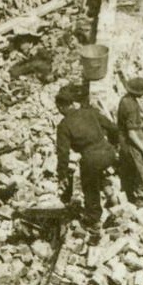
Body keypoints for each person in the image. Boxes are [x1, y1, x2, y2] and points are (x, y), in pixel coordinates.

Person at [55, 86, 119, 231]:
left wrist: (62, 174)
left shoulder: (64, 126)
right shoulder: (90, 112)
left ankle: (94, 219)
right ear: (73, 103)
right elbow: (113, 128)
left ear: (62, 107)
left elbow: (63, 153)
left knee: (89, 186)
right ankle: (111, 195)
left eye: (59, 107)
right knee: (97, 172)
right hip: (108, 152)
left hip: (91, 157)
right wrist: (114, 146)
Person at [117, 78, 143, 204]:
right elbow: (131, 133)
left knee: (130, 168)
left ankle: (130, 193)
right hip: (130, 140)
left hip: (125, 138)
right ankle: (140, 197)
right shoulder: (131, 105)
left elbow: (131, 118)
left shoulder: (126, 99)